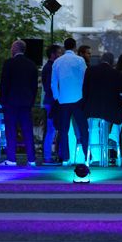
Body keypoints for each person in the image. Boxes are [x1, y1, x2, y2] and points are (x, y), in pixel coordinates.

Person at [0, 39, 39, 166]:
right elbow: (34, 86)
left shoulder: (9, 63)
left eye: (12, 47)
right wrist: (31, 101)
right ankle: (31, 159)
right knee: (28, 130)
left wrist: (3, 100)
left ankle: (11, 159)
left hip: (11, 102)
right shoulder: (32, 64)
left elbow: (4, 84)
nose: (11, 49)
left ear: (15, 49)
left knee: (11, 130)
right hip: (26, 103)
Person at [51, 36, 89, 164]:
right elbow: (85, 79)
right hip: (78, 99)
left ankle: (65, 158)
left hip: (63, 100)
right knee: (83, 129)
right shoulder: (80, 60)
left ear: (64, 47)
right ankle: (86, 155)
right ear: (74, 47)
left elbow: (53, 83)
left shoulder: (57, 62)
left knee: (64, 131)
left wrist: (57, 98)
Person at [41, 43, 62, 162]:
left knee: (51, 130)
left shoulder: (49, 67)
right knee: (51, 130)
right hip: (52, 102)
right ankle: (47, 157)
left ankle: (49, 156)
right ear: (53, 54)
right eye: (59, 53)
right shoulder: (51, 68)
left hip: (50, 102)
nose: (60, 55)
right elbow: (50, 87)